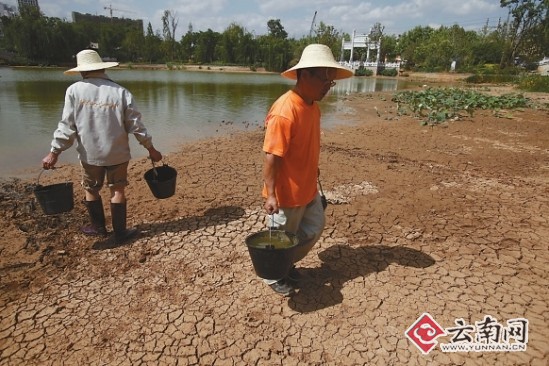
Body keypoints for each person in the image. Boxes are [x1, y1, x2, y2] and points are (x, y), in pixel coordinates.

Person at [42, 49, 162, 245]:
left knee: (91, 189)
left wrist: (54, 152)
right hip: (118, 153)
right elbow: (136, 126)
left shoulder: (74, 91)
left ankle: (98, 228)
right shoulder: (121, 92)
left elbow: (67, 126)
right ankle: (120, 234)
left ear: (82, 71)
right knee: (118, 190)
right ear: (102, 68)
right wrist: (151, 149)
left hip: (90, 155)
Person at [261, 44, 353, 296]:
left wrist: (314, 167)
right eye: (324, 79)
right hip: (286, 193)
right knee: (281, 237)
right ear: (305, 75)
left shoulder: (313, 107)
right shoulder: (284, 111)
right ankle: (274, 275)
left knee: (313, 227)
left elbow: (305, 144)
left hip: (308, 186)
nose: (327, 86)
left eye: (330, 82)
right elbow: (271, 156)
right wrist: (271, 195)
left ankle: (285, 262)